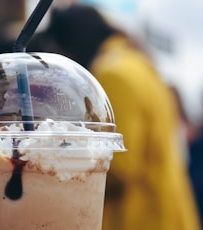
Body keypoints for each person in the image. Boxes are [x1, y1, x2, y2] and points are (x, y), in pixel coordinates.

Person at [29, 4, 201, 230]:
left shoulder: (113, 73)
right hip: (164, 212)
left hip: (142, 218)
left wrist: (51, 172)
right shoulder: (136, 63)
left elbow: (118, 165)